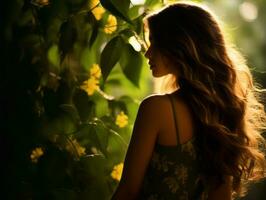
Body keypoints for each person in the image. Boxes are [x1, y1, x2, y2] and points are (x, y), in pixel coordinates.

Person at [111, 2, 266, 200]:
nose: (147, 53)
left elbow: (127, 192)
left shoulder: (155, 109)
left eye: (155, 44)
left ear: (180, 46)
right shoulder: (223, 114)